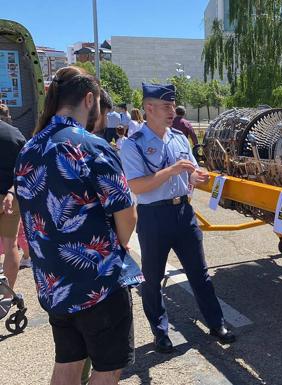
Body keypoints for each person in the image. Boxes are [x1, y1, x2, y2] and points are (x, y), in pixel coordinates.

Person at [14, 66, 143, 385]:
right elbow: (126, 214)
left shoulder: (29, 148)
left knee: (68, 363)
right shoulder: (91, 146)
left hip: (53, 283)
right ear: (90, 99)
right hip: (97, 284)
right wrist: (121, 243)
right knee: (108, 369)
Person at [120, 82, 235, 353]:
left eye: (172, 105)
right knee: (152, 278)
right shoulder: (133, 145)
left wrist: (197, 177)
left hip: (183, 213)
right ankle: (160, 333)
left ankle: (217, 323)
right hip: (154, 216)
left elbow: (190, 174)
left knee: (200, 274)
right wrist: (172, 170)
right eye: (165, 106)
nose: (172, 111)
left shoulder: (179, 138)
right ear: (149, 108)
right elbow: (136, 186)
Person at [0, 103, 26, 289]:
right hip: (10, 196)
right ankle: (7, 296)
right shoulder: (15, 134)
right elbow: (25, 168)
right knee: (11, 247)